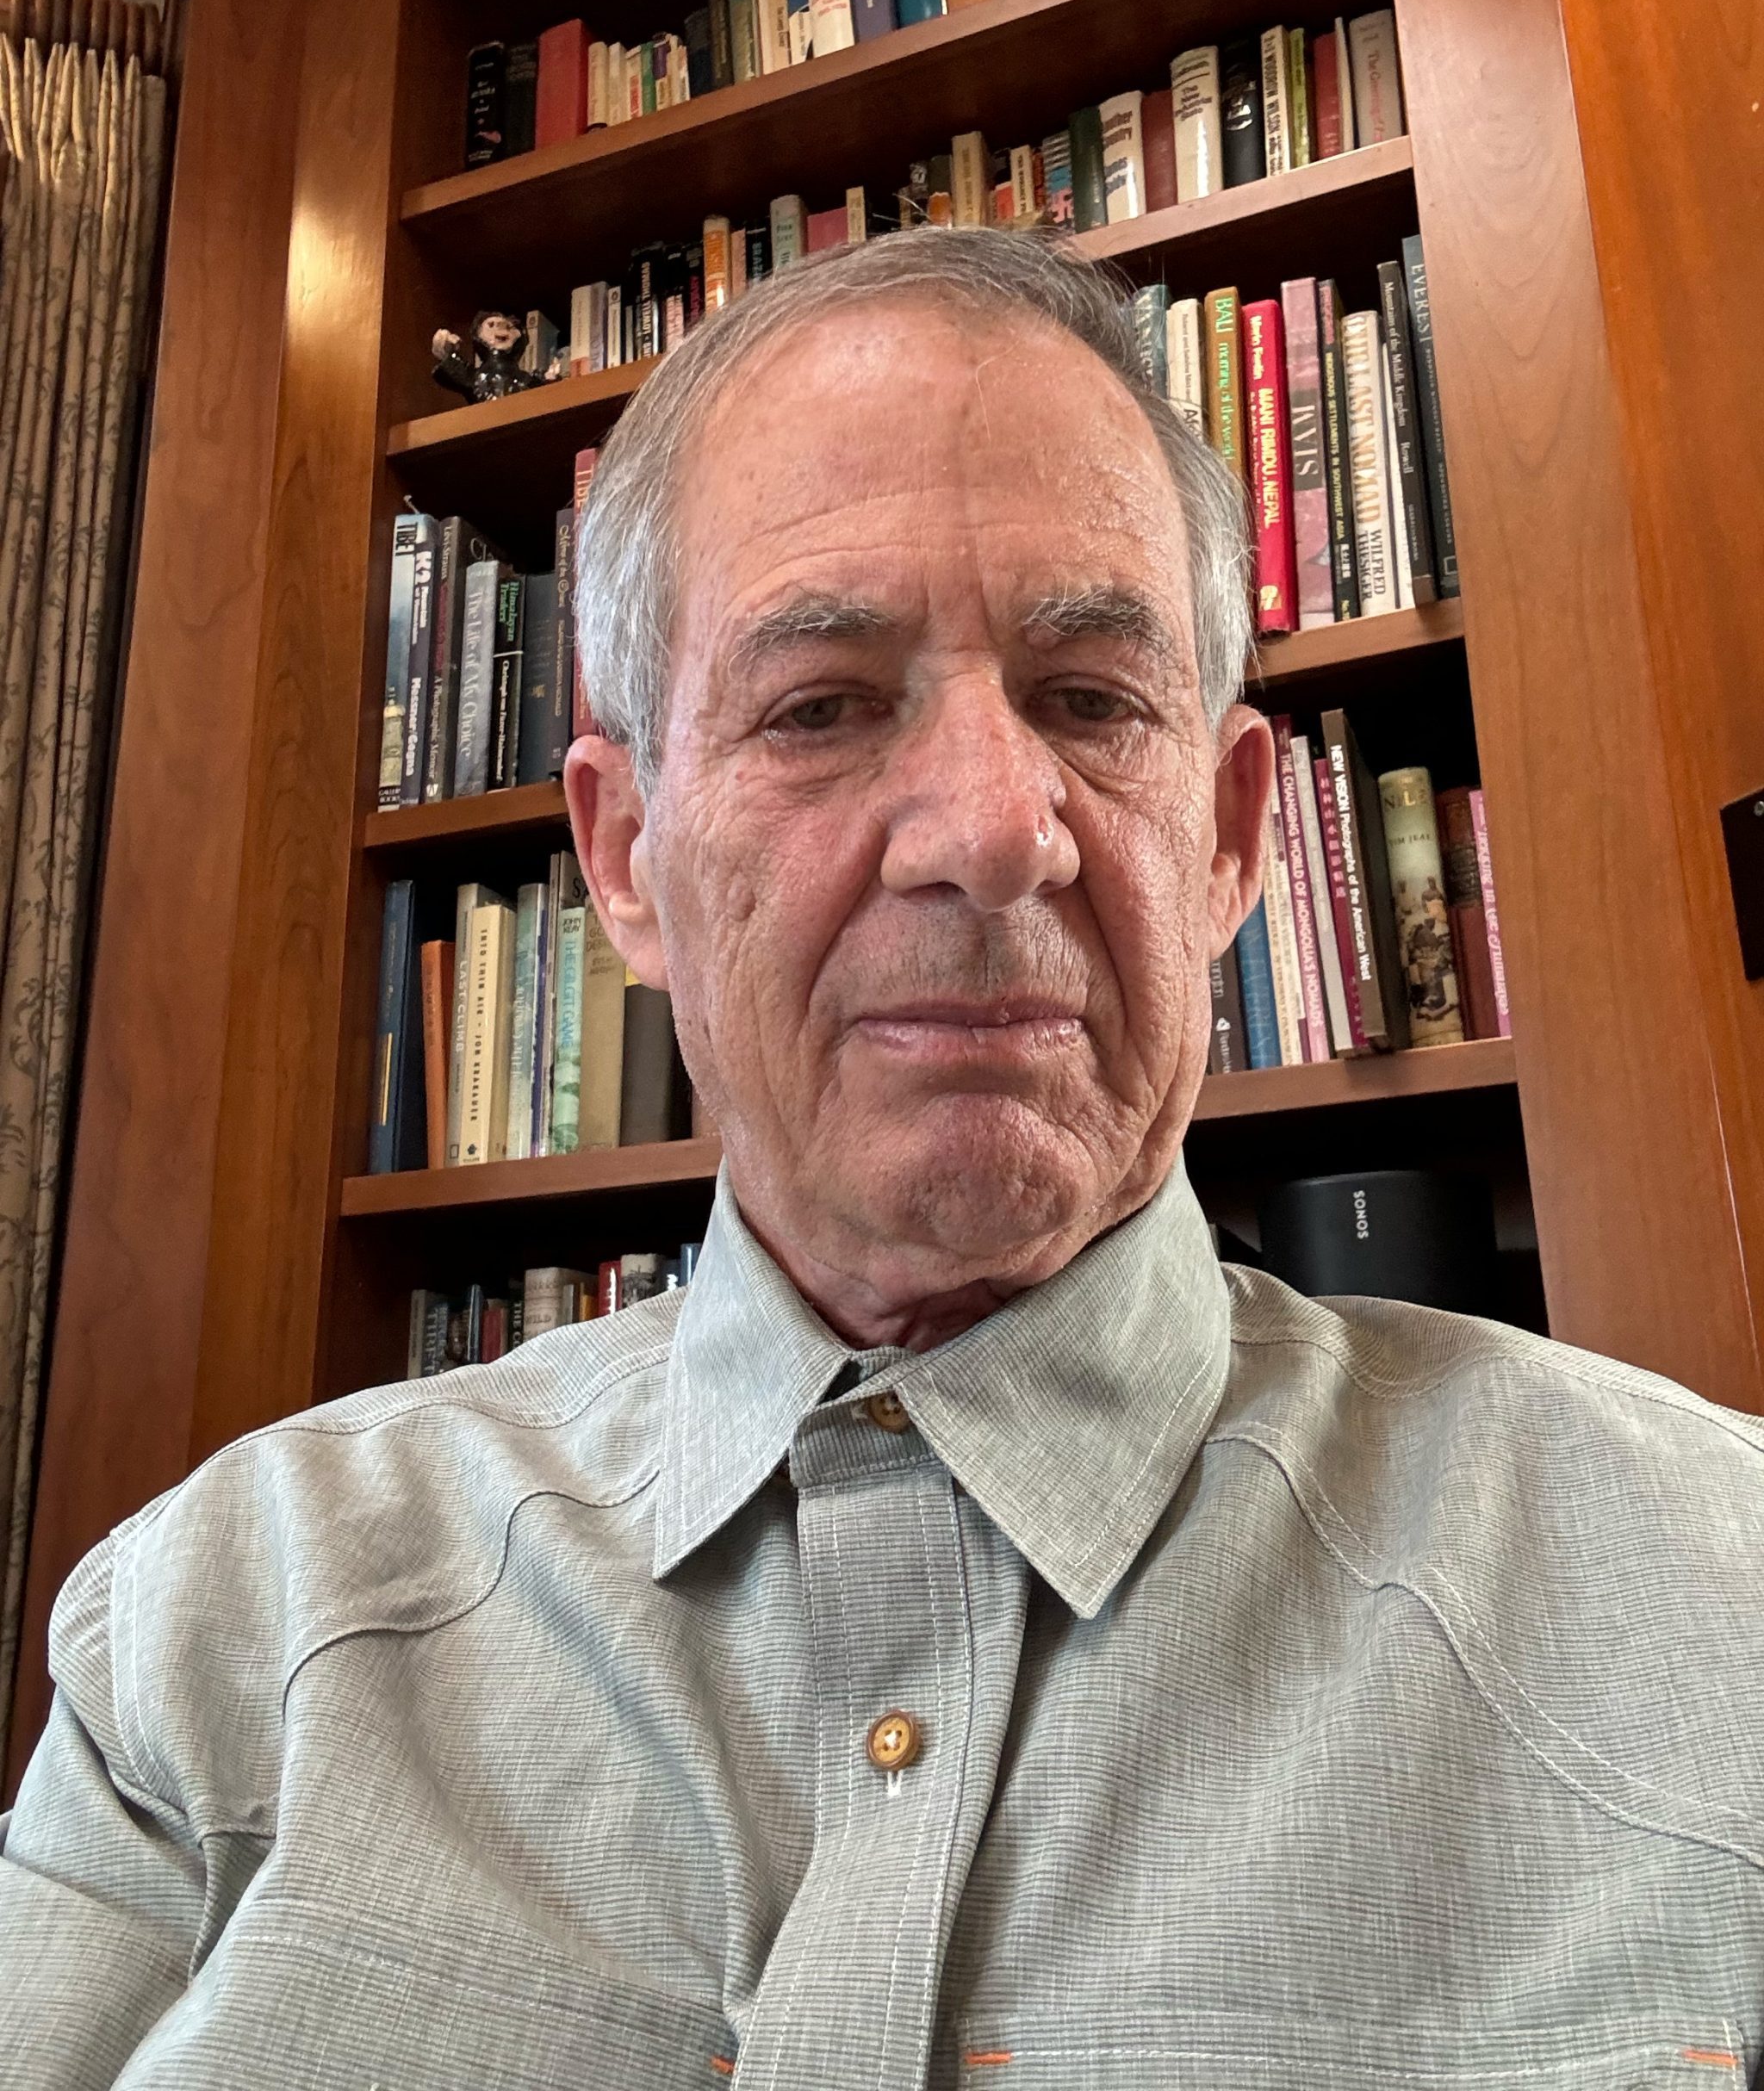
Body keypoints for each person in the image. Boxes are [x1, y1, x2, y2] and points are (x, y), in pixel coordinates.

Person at [6, 228, 1764, 2088]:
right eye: (821, 705)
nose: (997, 832)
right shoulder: (219, 1626)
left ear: (1236, 834)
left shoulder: (1720, 1594)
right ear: (622, 858)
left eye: (1091, 698)